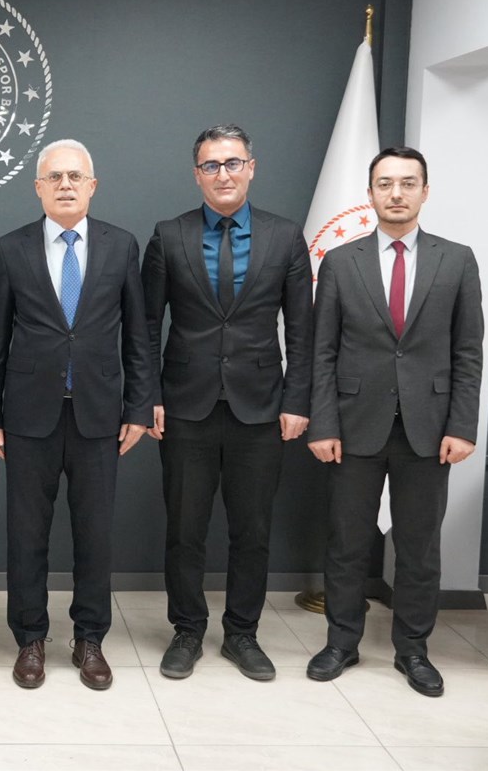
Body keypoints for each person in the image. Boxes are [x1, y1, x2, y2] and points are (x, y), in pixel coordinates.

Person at [306, 147, 483, 697]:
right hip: (353, 425)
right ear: (370, 193)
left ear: (425, 191)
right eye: (385, 183)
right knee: (346, 544)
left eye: (408, 183)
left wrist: (463, 425)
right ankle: (342, 642)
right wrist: (323, 424)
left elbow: (468, 352)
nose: (396, 193)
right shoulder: (341, 262)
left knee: (419, 548)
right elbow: (323, 352)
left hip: (430, 429)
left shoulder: (457, 260)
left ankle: (413, 650)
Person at [143, 124, 313, 682]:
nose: (223, 174)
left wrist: (297, 399)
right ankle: (187, 631)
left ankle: (242, 633)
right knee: (184, 530)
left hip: (261, 409)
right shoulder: (169, 236)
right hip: (184, 407)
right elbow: (145, 327)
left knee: (252, 531)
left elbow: (303, 331)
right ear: (197, 175)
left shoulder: (285, 237)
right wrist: (148, 397)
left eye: (233, 163)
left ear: (251, 168)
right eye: (211, 165)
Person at [0, 139, 151, 691]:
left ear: (92, 186)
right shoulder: (11, 248)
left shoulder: (121, 245)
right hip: (28, 415)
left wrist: (138, 407)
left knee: (95, 535)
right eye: (54, 177)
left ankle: (90, 639)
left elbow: (138, 337)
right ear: (38, 187)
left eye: (76, 176)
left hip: (100, 416)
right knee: (26, 534)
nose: (65, 185)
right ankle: (30, 638)